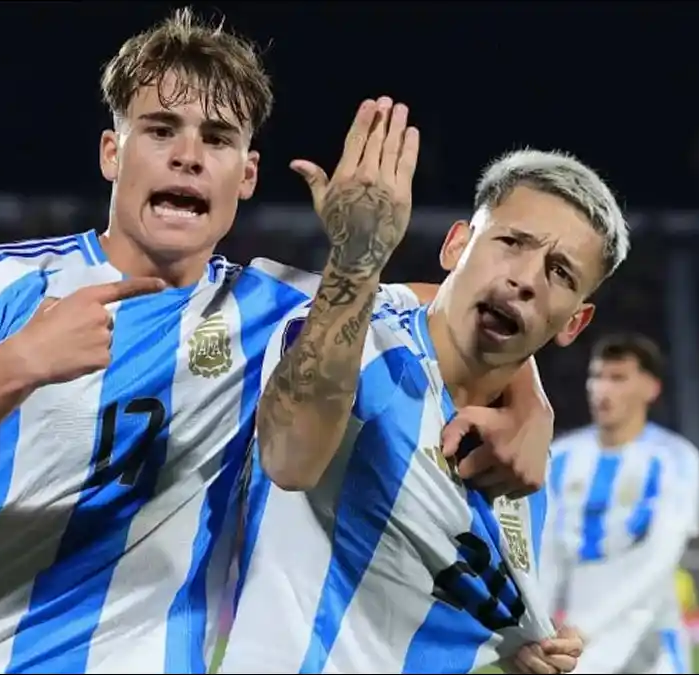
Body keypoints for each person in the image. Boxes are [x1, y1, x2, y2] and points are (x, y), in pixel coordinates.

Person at [0, 10, 556, 674]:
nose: (188, 156)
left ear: (246, 175)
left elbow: (462, 315)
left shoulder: (281, 312)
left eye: (216, 139)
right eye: (160, 130)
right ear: (112, 152)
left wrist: (532, 406)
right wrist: (19, 363)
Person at [224, 104, 628, 673]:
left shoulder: (524, 475)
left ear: (574, 323)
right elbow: (288, 460)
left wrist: (526, 647)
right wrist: (356, 257)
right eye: (511, 242)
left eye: (560, 272)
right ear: (456, 246)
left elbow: (481, 610)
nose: (525, 278)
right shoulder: (352, 342)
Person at [541, 333, 699, 674]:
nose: (602, 389)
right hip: (579, 633)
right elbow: (547, 550)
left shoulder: (675, 458)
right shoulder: (560, 456)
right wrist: (539, 622)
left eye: (618, 378)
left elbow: (662, 553)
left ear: (651, 388)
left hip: (648, 628)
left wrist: (588, 624)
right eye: (597, 376)